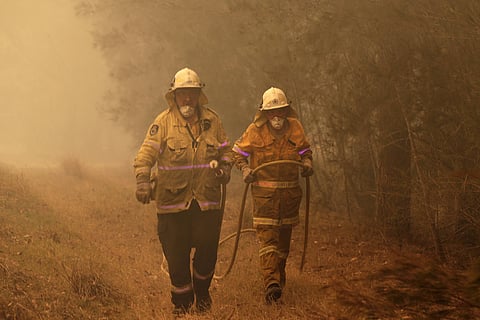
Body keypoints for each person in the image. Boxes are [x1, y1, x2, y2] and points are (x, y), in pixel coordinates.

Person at [133, 67, 232, 316]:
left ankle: (202, 294)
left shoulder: (213, 121)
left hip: (207, 202)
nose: (187, 99)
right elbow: (145, 155)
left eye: (192, 93)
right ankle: (183, 305)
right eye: (182, 94)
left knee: (207, 251)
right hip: (172, 205)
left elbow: (226, 152)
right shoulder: (162, 123)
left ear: (199, 95)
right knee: (177, 257)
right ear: (174, 96)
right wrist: (143, 180)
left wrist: (226, 167)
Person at [232, 87, 313, 304]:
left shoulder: (295, 127)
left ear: (287, 111)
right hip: (264, 198)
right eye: (271, 112)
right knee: (268, 241)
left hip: (289, 198)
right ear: (264, 114)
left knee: (283, 245)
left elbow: (305, 149)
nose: (276, 117)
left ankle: (279, 276)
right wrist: (245, 169)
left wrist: (307, 163)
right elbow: (237, 153)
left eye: (280, 111)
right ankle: (271, 283)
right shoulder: (255, 131)